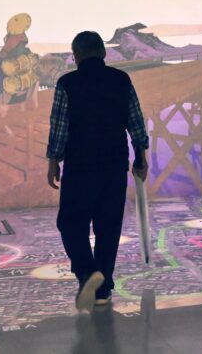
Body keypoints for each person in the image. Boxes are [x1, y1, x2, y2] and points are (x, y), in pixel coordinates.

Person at [46, 31, 150, 311]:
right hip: (114, 165)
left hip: (80, 167)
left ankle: (87, 271)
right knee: (108, 227)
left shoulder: (67, 84)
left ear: (75, 56)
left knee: (71, 223)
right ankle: (102, 290)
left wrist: (53, 160)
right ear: (103, 53)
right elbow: (135, 122)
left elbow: (59, 128)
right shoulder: (121, 80)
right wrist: (141, 157)